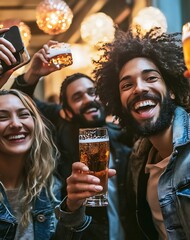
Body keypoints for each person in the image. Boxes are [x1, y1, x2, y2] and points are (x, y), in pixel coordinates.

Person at [11, 41, 132, 240]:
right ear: (66, 111)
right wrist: (33, 73)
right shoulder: (59, 132)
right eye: (77, 97)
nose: (88, 99)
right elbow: (20, 104)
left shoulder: (123, 134)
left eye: (92, 93)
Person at [92, 27, 190, 239]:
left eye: (151, 78)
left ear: (171, 89)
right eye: (127, 85)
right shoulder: (138, 158)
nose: (138, 88)